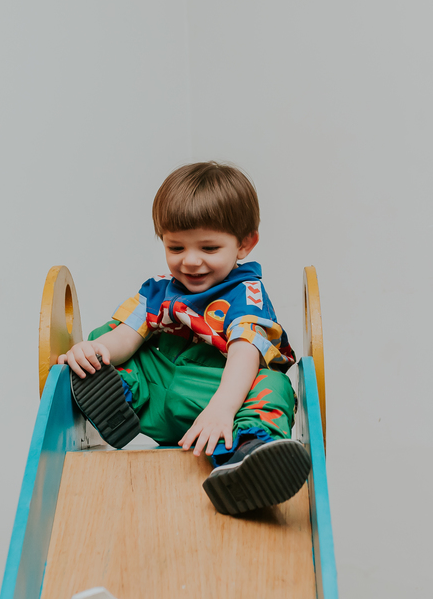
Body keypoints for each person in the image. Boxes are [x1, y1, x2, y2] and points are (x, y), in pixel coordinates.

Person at [59, 162, 312, 515]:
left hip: (213, 407)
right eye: (176, 248)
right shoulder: (158, 291)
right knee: (106, 335)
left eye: (208, 248)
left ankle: (247, 454)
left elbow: (243, 355)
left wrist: (222, 409)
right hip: (157, 391)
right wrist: (94, 351)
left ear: (244, 244)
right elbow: (127, 338)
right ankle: (118, 392)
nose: (191, 261)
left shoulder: (245, 294)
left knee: (273, 384)